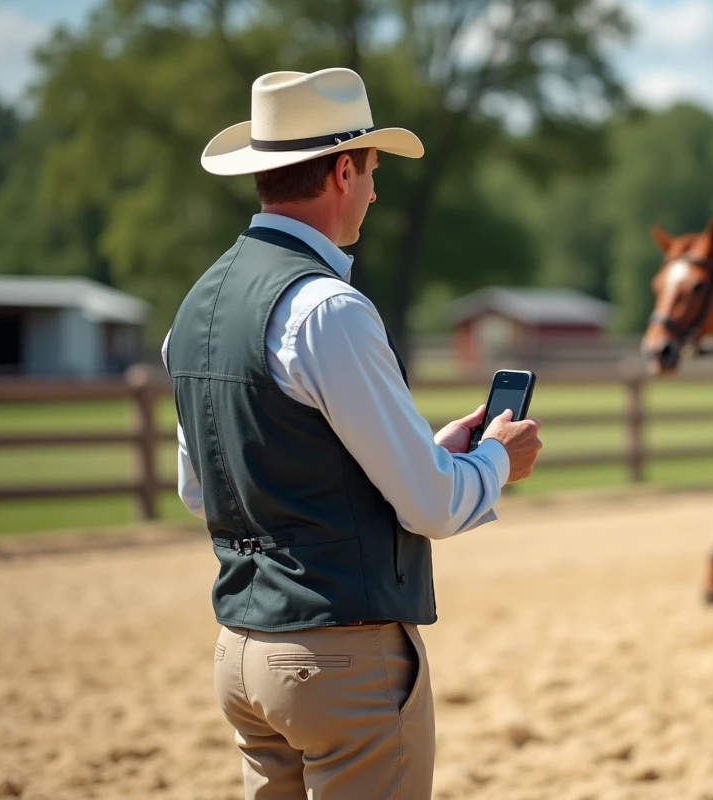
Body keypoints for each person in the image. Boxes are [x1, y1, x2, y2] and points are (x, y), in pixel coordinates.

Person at [161, 67, 543, 799]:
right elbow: (431, 506)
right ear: (342, 170)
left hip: (242, 651)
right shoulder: (327, 308)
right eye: (371, 171)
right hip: (342, 660)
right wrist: (497, 457)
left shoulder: (197, 307)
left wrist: (424, 454)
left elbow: (200, 487)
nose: (374, 188)